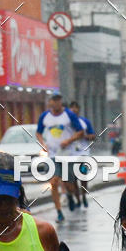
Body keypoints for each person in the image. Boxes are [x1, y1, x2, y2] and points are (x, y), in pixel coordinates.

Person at [36, 93, 84, 222]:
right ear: (50, 102)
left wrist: (68, 141)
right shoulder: (45, 116)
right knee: (54, 182)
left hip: (67, 154)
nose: (56, 103)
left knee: (69, 184)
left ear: (61, 102)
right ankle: (59, 212)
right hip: (52, 154)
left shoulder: (69, 115)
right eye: (54, 100)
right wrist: (43, 144)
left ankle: (70, 194)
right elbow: (38, 132)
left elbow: (80, 132)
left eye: (59, 100)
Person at [68, 100, 96, 209]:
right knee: (73, 179)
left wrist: (85, 136)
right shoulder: (66, 123)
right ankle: (78, 199)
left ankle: (84, 196)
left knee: (83, 177)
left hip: (84, 153)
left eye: (76, 108)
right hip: (70, 155)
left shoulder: (84, 122)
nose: (74, 110)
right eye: (72, 108)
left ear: (79, 110)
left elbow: (93, 136)